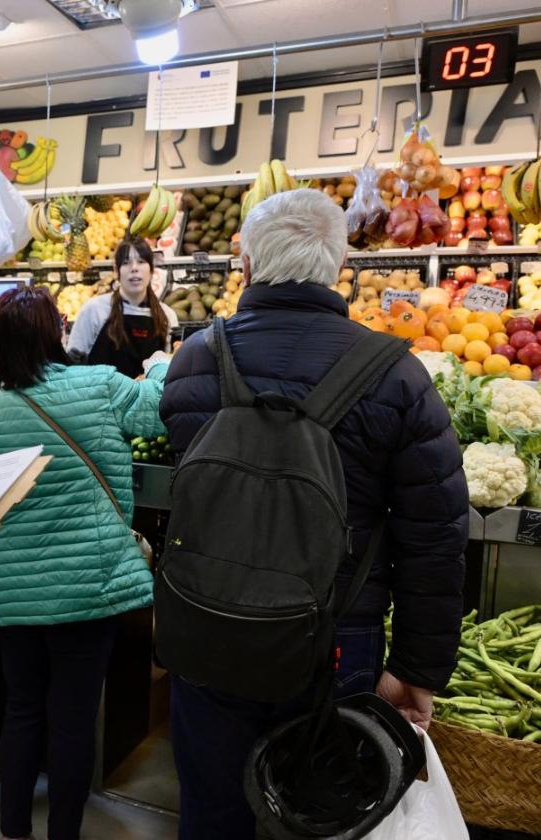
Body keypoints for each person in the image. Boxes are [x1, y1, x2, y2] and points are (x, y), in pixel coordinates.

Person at [158, 188, 468, 840]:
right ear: (339, 268)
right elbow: (435, 538)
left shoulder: (194, 362)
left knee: (212, 815)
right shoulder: (398, 377)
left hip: (210, 630)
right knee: (321, 819)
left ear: (246, 265)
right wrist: (417, 668)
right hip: (336, 640)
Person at [0, 286, 167, 840]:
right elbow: (158, 414)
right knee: (72, 723)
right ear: (56, 334)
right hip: (87, 593)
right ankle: (63, 833)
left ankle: (14, 828)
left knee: (22, 711)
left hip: (16, 598)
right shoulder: (99, 385)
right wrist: (164, 364)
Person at [67, 238, 178, 377]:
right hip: (102, 397)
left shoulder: (167, 316)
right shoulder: (94, 309)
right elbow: (73, 366)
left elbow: (170, 369)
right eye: (126, 263)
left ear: (152, 270)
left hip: (149, 398)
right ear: (116, 271)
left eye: (141, 261)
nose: (134, 268)